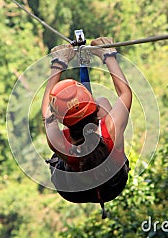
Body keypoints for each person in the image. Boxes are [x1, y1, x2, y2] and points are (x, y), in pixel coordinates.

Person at [41, 37, 132, 217]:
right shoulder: (111, 129)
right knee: (104, 100)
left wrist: (58, 63)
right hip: (113, 185)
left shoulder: (59, 143)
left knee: (60, 151)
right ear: (95, 111)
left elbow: (46, 112)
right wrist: (108, 54)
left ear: (62, 121)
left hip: (73, 190)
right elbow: (125, 92)